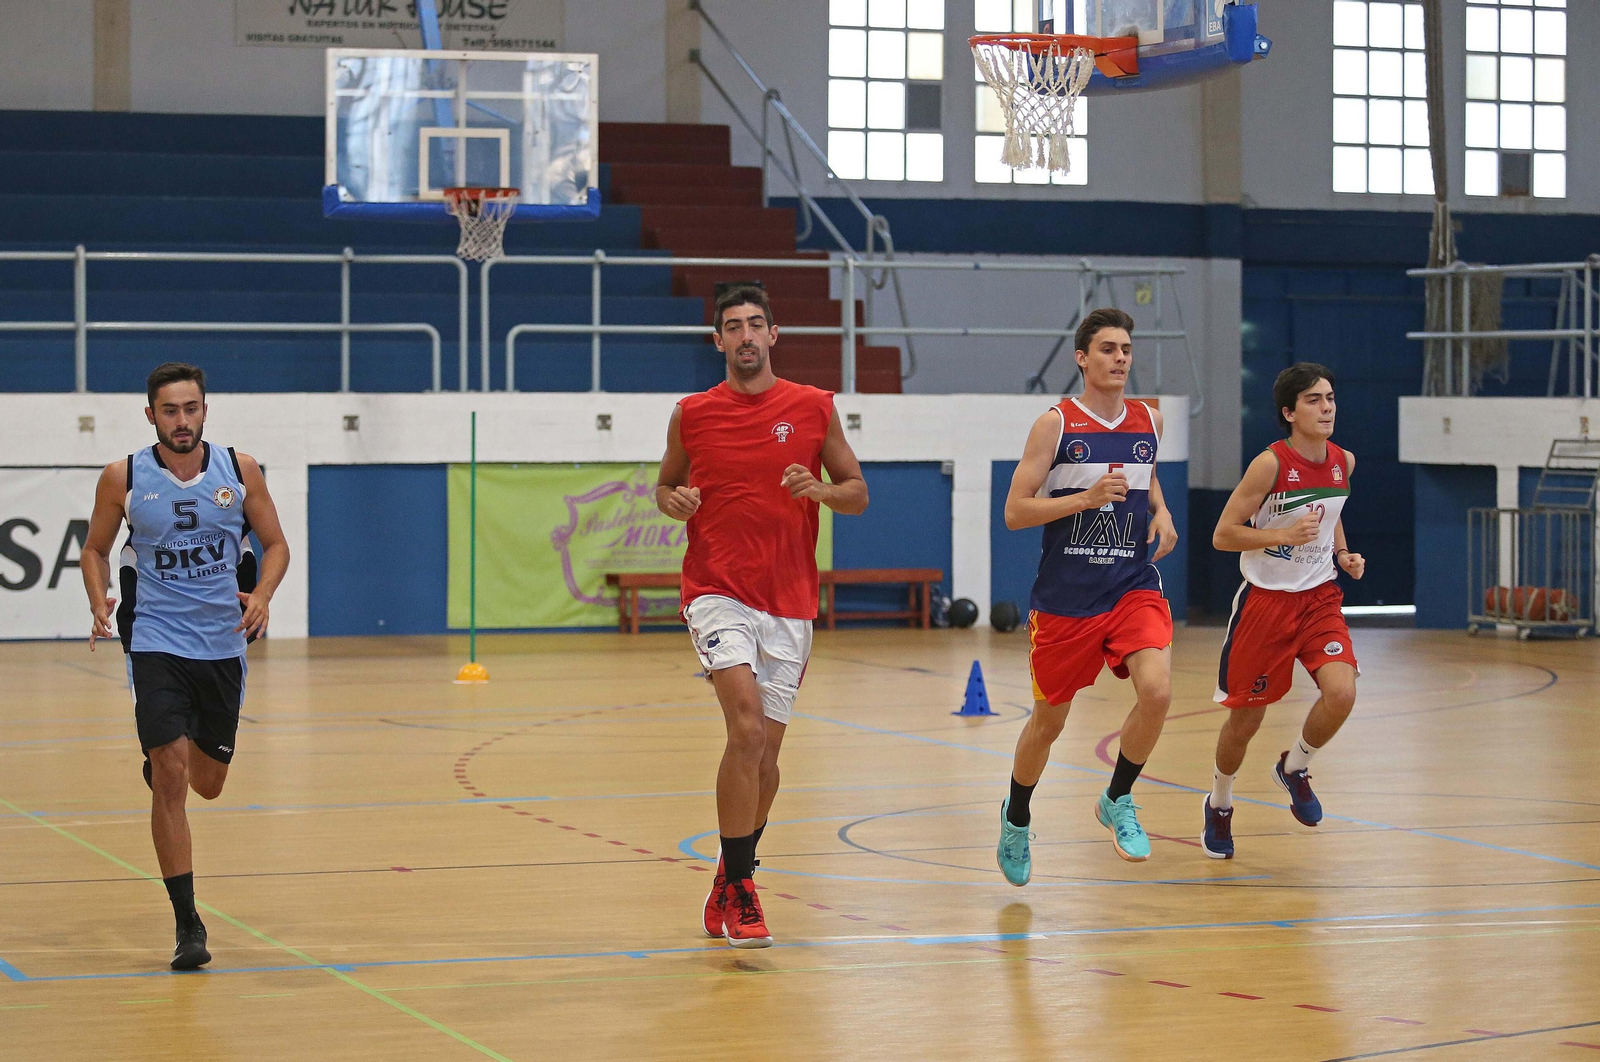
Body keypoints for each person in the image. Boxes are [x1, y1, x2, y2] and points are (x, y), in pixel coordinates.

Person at [656, 285, 868, 947]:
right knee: (745, 730)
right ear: (717, 341)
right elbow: (664, 484)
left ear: (774, 334)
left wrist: (821, 490)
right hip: (717, 589)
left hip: (790, 601)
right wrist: (675, 502)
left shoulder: (813, 408)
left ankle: (731, 866)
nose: (745, 336)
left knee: (768, 758)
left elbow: (858, 492)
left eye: (755, 325)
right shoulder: (691, 414)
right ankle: (748, 890)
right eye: (732, 327)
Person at [81, 363, 289, 969]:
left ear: (205, 411)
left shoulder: (238, 469)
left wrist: (263, 594)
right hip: (155, 640)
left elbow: (275, 545)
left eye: (191, 408)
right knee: (170, 775)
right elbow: (95, 549)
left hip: (222, 645)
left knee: (208, 784)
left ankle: (167, 761)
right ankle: (188, 924)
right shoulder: (122, 477)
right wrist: (99, 600)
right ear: (151, 415)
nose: (181, 420)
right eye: (169, 410)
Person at [995, 307, 1179, 886]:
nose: (1120, 358)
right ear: (1082, 358)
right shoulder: (1055, 424)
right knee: (1048, 724)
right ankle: (1016, 817)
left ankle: (1118, 797)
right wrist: (1083, 498)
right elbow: (1014, 512)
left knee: (1158, 690)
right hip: (1066, 599)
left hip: (1130, 584)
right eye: (1107, 348)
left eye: (1126, 348)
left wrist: (1163, 511)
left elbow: (1146, 479)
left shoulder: (1150, 420)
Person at [1202, 363, 1363, 859]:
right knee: (1244, 724)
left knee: (1341, 693)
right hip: (1265, 604)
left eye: (1331, 397)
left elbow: (1329, 514)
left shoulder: (1344, 461)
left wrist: (1341, 554)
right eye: (1314, 399)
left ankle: (1295, 766)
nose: (1327, 406)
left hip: (1318, 600)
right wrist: (1279, 536)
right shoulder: (1269, 465)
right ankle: (1220, 801)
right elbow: (1223, 535)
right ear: (1289, 412)